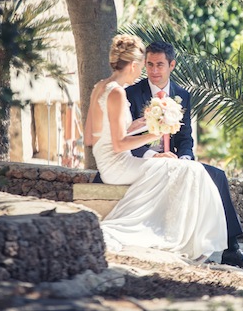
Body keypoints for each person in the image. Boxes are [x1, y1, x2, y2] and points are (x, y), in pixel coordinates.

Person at [84, 34, 228, 261]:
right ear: (133, 65)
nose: (145, 71)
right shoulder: (119, 93)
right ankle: (190, 241)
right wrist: (154, 134)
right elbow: (119, 144)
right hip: (118, 165)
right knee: (191, 171)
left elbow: (94, 135)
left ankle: (193, 238)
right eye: (142, 65)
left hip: (109, 160)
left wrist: (135, 126)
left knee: (188, 168)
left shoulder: (101, 86)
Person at [125, 40, 243, 270]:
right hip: (144, 161)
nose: (154, 71)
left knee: (217, 176)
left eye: (160, 65)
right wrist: (153, 155)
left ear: (172, 65)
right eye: (149, 65)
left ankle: (232, 249)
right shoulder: (131, 94)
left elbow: (185, 138)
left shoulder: (182, 95)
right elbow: (125, 139)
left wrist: (186, 158)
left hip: (176, 161)